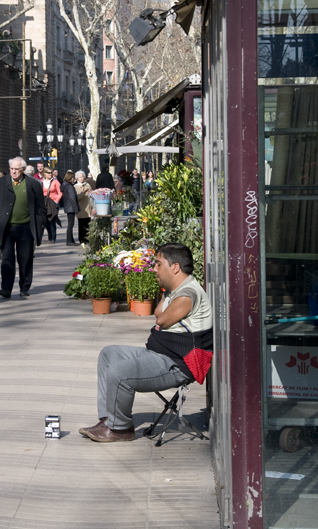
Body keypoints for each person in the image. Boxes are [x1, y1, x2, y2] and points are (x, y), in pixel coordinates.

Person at [79, 243, 212, 443]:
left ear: (175, 267)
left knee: (120, 372)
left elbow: (161, 319)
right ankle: (109, 420)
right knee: (108, 355)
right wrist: (167, 293)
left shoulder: (187, 295)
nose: (154, 269)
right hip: (160, 355)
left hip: (178, 364)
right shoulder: (176, 289)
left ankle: (121, 429)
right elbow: (160, 312)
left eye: (159, 264)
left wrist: (166, 301)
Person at [0, 157, 45, 299]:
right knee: (7, 259)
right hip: (7, 228)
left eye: (16, 169)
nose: (13, 172)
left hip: (26, 227)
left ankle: (24, 286)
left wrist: (39, 221)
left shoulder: (33, 184)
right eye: (11, 169)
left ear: (23, 170)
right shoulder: (1, 183)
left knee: (25, 259)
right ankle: (6, 288)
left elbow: (41, 207)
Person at [41, 170, 62, 243]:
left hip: (53, 203)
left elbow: (60, 192)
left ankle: (52, 238)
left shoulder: (55, 182)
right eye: (48, 173)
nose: (50, 174)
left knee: (52, 220)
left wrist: (56, 201)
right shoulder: (41, 182)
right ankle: (40, 238)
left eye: (51, 173)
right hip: (44, 203)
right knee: (43, 221)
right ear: (45, 174)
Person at [60, 171, 79, 246]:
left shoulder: (65, 185)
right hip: (71, 207)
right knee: (71, 224)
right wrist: (76, 209)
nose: (74, 179)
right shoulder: (70, 187)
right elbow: (72, 198)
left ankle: (71, 240)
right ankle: (69, 241)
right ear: (70, 178)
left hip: (68, 207)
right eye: (73, 178)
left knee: (70, 224)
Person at [74, 170, 93, 243]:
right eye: (79, 177)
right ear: (77, 178)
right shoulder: (75, 187)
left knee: (88, 223)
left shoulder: (87, 185)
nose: (81, 178)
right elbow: (76, 197)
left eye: (82, 176)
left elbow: (91, 194)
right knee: (81, 224)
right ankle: (81, 239)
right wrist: (83, 193)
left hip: (88, 206)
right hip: (81, 208)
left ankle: (88, 238)